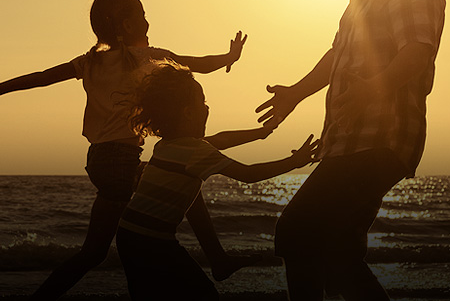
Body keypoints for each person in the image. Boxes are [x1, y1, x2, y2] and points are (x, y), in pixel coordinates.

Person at [0, 0, 269, 300]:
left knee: (98, 249)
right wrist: (230, 57)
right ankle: (217, 259)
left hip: (100, 160)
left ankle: (217, 259)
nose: (147, 21)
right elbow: (195, 64)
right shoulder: (146, 57)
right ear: (127, 25)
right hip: (121, 162)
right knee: (178, 181)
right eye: (142, 15)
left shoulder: (89, 62)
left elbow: (42, 77)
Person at [253, 0, 445, 300]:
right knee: (338, 255)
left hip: (379, 139)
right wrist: (296, 94)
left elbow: (417, 52)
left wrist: (371, 92)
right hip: (350, 140)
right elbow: (337, 53)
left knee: (297, 232)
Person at [117, 63, 320, 301]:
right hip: (153, 241)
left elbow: (219, 139)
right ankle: (219, 261)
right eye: (202, 102)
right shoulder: (195, 151)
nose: (207, 107)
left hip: (129, 235)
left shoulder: (168, 145)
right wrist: (294, 161)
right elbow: (249, 174)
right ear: (188, 113)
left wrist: (261, 132)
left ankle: (218, 260)